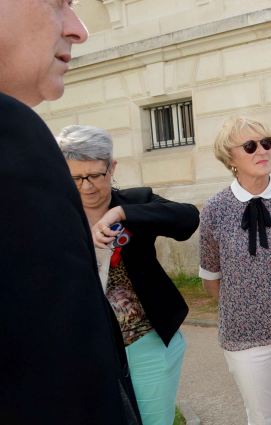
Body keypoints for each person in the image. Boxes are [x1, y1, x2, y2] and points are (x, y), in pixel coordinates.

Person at [0, 1, 141, 423]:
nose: (79, 30)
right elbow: (64, 382)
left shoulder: (132, 201)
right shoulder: (14, 135)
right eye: (58, 2)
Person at [57, 125, 199, 425]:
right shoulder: (57, 217)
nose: (87, 187)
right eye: (76, 177)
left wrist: (120, 213)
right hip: (85, 350)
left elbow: (188, 219)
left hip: (145, 344)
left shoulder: (135, 202)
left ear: (112, 167)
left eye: (96, 175)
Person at [199, 117, 271, 425]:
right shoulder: (215, 208)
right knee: (260, 418)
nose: (261, 151)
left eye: (267, 143)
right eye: (250, 146)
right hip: (243, 333)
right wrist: (243, 303)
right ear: (230, 158)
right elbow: (211, 277)